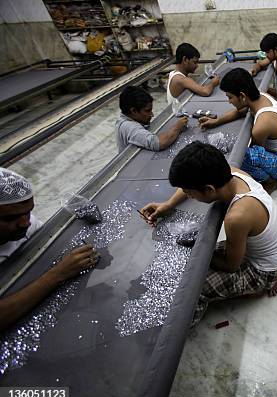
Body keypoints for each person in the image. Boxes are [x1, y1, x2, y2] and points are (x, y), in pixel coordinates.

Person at [140, 142, 277, 325]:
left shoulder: (237, 217)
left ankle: (257, 287)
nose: (187, 195)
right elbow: (190, 183)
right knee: (192, 259)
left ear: (209, 190)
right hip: (264, 254)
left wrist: (198, 253)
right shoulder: (231, 173)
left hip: (262, 270)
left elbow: (230, 265)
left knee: (192, 287)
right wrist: (168, 205)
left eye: (189, 193)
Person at [0, 168, 98, 331]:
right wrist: (57, 274)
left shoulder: (27, 227)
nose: (26, 223)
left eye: (28, 212)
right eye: (10, 218)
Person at [199, 68, 277, 194]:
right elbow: (240, 111)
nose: (229, 101)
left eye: (230, 97)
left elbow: (257, 156)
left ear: (242, 96)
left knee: (243, 156)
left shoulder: (262, 124)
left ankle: (270, 180)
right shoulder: (260, 96)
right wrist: (216, 121)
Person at [116, 86, 188, 152]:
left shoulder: (128, 118)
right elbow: (159, 143)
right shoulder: (129, 127)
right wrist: (177, 127)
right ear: (133, 111)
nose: (152, 115)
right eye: (147, 111)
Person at [167, 43, 220, 112]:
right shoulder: (181, 79)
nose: (197, 66)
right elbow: (206, 92)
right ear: (185, 59)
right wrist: (213, 82)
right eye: (195, 62)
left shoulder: (173, 73)